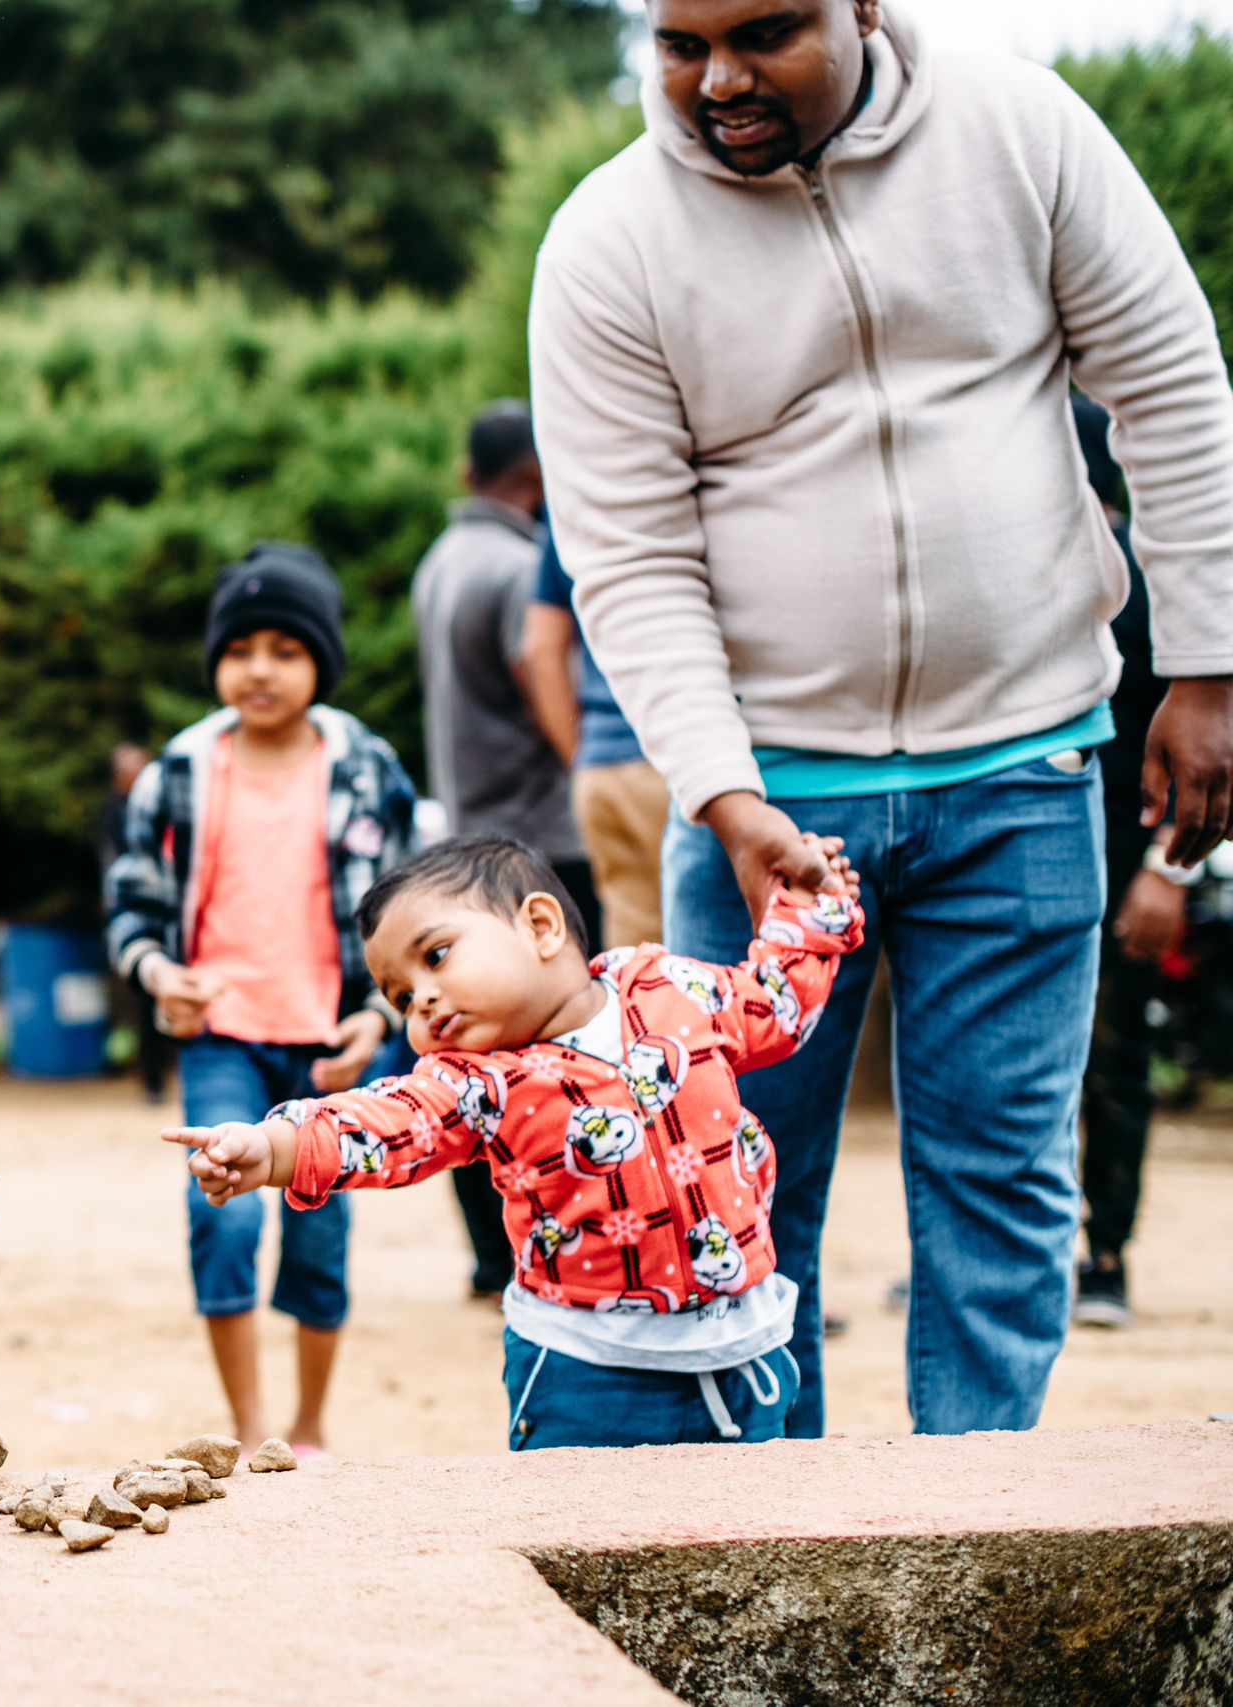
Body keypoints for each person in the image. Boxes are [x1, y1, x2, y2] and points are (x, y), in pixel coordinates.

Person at [530, 1, 1233, 1436]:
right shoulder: (609, 240)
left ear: (862, 7)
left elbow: (1169, 387)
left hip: (1028, 762)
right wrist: (724, 793)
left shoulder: (1021, 134)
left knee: (1001, 1176)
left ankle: (973, 1518)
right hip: (771, 800)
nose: (717, 79)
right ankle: (780, 1526)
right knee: (736, 1183)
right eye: (678, 44)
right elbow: (630, 551)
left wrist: (1210, 668)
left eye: (765, 32)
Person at [167, 834, 863, 1449]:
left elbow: (774, 1001)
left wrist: (810, 902)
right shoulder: (478, 1082)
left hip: (745, 1353)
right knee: (591, 1555)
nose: (424, 1001)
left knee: (745, 1554)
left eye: (437, 956)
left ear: (540, 925)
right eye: (402, 997)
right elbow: (388, 1121)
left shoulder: (669, 988)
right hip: (588, 1372)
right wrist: (276, 1144)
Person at [104, 542, 415, 1456]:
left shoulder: (369, 767)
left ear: (321, 658)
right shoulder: (179, 771)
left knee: (321, 1234)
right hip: (222, 1037)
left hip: (331, 1040)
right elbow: (132, 903)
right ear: (217, 661)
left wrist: (381, 1013)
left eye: (286, 648)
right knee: (224, 1214)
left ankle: (310, 1426)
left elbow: (412, 911)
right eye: (243, 649)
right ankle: (248, 1431)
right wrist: (161, 978)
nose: (261, 669)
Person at [412, 401, 599, 1298]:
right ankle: (543, 1252)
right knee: (562, 1043)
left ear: (468, 473)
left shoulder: (442, 560)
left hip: (461, 843)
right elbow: (543, 675)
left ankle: (491, 1258)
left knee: (466, 1052)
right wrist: (590, 766)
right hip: (540, 843)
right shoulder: (523, 568)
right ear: (538, 471)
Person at [1071, 397, 1186, 1330]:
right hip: (1027, 858)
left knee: (1113, 1060)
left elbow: (1199, 742)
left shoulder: (1149, 583)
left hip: (1120, 864)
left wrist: (1168, 869)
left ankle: (1105, 1255)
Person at [520, 533, 672, 949]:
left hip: (603, 771)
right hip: (678, 761)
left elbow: (540, 650)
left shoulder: (566, 508)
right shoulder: (693, 477)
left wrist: (581, 755)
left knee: (640, 960)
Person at [96, 740, 174, 1103]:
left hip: (168, 911)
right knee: (143, 1000)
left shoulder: (164, 805)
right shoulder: (111, 812)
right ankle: (151, 1078)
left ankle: (168, 1071)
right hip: (133, 914)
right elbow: (115, 865)